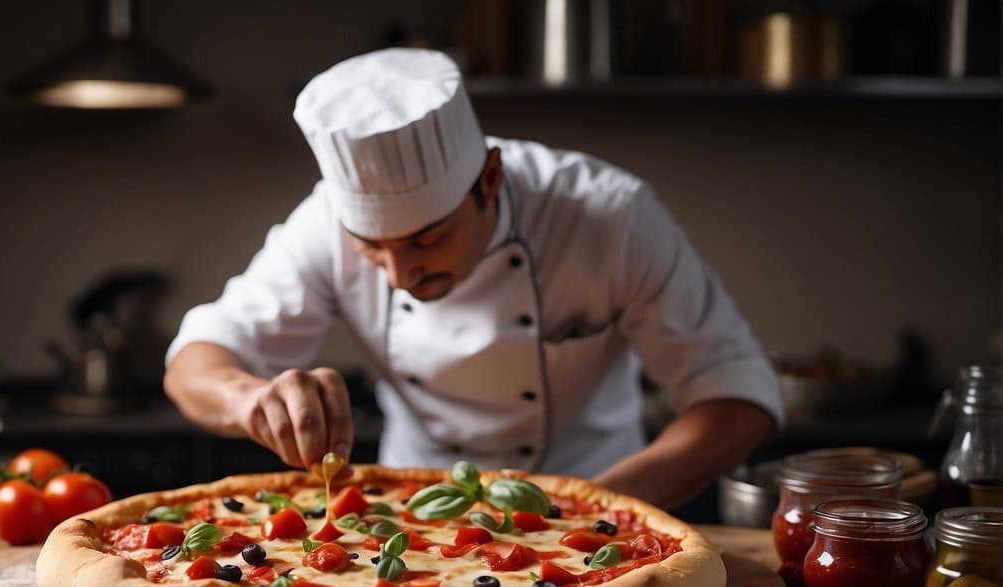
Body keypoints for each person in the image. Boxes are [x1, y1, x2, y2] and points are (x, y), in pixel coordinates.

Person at [164, 48, 783, 509]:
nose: (400, 275)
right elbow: (194, 363)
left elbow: (739, 398)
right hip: (412, 517)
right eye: (371, 248)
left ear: (490, 179)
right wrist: (248, 398)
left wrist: (590, 510)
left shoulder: (608, 217)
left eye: (426, 239)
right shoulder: (324, 222)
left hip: (598, 502)